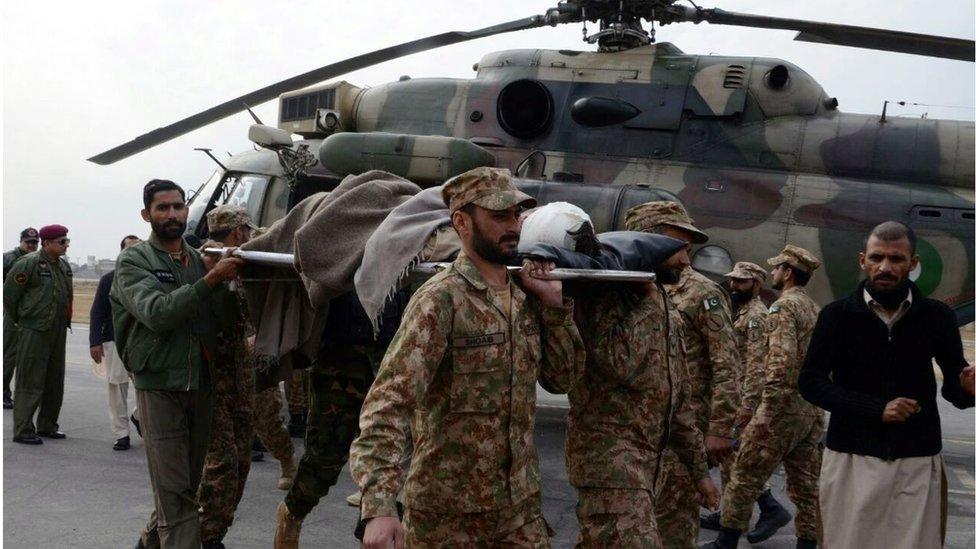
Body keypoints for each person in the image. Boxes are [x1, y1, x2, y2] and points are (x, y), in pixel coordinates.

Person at [349, 166, 585, 548]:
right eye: (497, 216)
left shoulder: (526, 298)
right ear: (462, 222)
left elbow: (563, 380)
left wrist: (555, 307)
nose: (512, 226)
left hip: (519, 511)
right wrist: (378, 506)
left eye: (515, 215)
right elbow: (387, 404)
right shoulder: (440, 300)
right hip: (447, 517)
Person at [799, 221, 975, 549]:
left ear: (913, 263)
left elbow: (953, 386)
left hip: (917, 463)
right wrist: (875, 409)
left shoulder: (937, 316)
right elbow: (811, 382)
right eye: (877, 258)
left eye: (896, 259)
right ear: (862, 259)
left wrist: (968, 391)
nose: (885, 267)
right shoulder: (836, 316)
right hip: (852, 459)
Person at [111, 179, 243, 548]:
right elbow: (157, 313)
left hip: (199, 385)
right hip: (159, 387)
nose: (172, 214)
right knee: (177, 500)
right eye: (162, 208)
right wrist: (211, 279)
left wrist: (225, 283)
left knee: (182, 491)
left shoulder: (198, 260)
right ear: (146, 214)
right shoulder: (134, 261)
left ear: (187, 209)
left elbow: (223, 321)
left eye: (178, 206)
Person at [569, 233, 720, 547]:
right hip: (611, 465)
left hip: (648, 468)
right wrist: (649, 303)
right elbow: (616, 362)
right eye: (677, 250)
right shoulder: (606, 296)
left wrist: (699, 473)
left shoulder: (662, 304)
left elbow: (676, 401)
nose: (686, 261)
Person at [623, 201, 740, 547]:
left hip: (681, 433)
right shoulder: (625, 287)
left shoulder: (703, 293)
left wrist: (719, 429)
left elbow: (726, 363)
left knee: (673, 526)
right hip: (635, 432)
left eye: (688, 249)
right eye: (678, 247)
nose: (686, 258)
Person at [708, 245, 824, 549]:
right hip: (809, 409)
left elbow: (779, 362)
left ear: (787, 273)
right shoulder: (815, 308)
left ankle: (726, 542)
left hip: (781, 410)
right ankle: (807, 544)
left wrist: (765, 411)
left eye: (776, 268)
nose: (772, 272)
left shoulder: (783, 308)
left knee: (743, 476)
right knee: (806, 487)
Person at [700, 262, 791, 539]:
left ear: (756, 285)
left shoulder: (756, 316)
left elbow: (756, 364)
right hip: (733, 394)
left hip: (742, 397)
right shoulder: (740, 311)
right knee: (730, 458)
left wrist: (748, 405)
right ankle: (730, 514)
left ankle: (771, 507)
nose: (734, 285)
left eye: (741, 282)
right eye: (733, 281)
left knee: (734, 459)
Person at [196, 204, 262, 548]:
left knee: (239, 461)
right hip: (210, 384)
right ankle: (200, 537)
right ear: (238, 232)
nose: (249, 236)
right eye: (246, 231)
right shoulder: (203, 263)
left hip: (238, 382)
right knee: (220, 466)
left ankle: (213, 533)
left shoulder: (236, 264)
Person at [4, 224, 73, 445]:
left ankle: (48, 425)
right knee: (30, 379)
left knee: (55, 379)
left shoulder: (63, 266)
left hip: (57, 329)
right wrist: (21, 320)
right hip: (34, 329)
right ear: (47, 243)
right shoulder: (28, 263)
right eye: (61, 242)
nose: (66, 245)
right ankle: (23, 429)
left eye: (67, 241)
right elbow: (10, 296)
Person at [90, 234, 141, 451]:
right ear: (121, 252)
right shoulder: (108, 279)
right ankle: (121, 434)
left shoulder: (148, 278)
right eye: (128, 249)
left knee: (148, 388)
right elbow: (97, 312)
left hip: (142, 341)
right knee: (116, 389)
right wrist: (95, 342)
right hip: (115, 341)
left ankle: (139, 416)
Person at [3, 227, 39, 409]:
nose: (32, 246)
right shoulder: (9, 259)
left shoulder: (38, 260)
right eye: (28, 242)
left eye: (35, 243)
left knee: (28, 356)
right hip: (13, 312)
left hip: (30, 314)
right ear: (21, 241)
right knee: (10, 354)